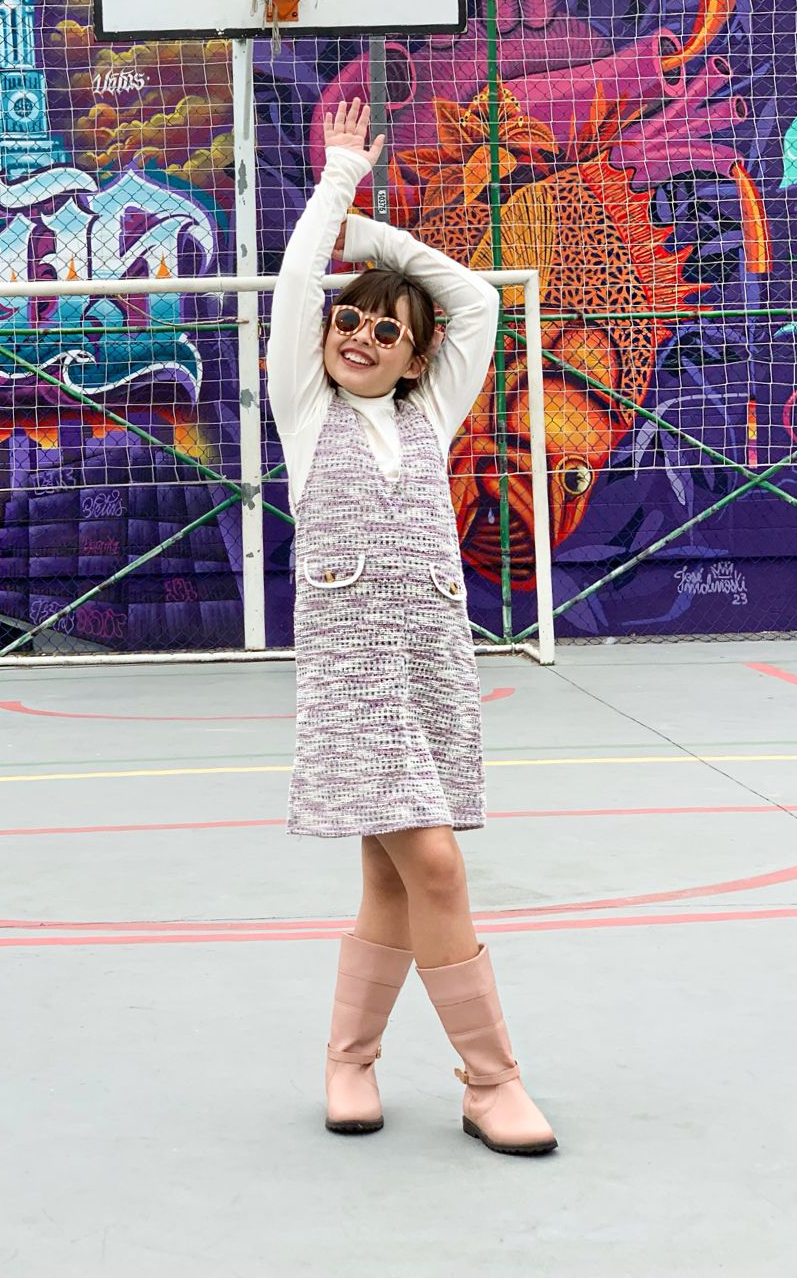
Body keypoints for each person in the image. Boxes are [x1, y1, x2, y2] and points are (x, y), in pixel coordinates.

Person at [266, 96, 557, 1157]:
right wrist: (337, 192)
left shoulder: (430, 415)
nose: (361, 336)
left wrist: (378, 243)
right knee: (433, 866)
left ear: (417, 359)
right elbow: (298, 287)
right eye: (351, 322)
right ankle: (492, 1081)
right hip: (353, 681)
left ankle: (349, 1060)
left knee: (391, 876)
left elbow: (472, 298)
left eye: (387, 331)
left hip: (431, 667)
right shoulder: (306, 414)